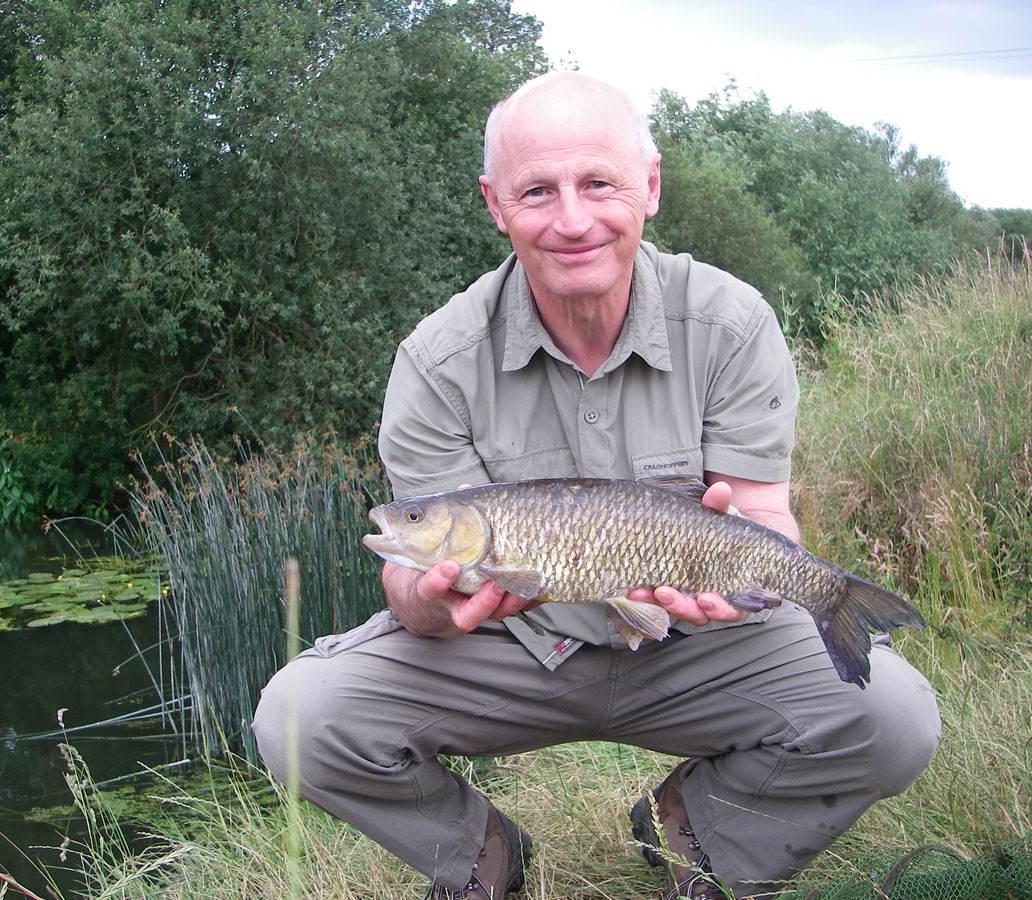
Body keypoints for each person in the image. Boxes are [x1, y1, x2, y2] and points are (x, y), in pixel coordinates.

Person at [252, 72, 940, 900]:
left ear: (649, 186)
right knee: (298, 717)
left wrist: (750, 581)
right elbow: (410, 587)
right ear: (494, 204)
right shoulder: (434, 359)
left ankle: (696, 831)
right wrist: (437, 599)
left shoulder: (732, 321)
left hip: (695, 642)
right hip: (508, 648)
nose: (572, 219)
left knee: (894, 720)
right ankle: (485, 857)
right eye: (537, 190)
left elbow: (759, 513)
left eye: (598, 184)